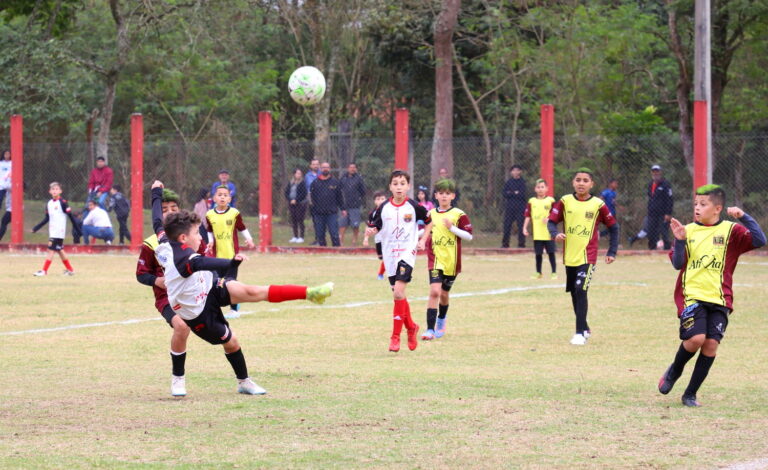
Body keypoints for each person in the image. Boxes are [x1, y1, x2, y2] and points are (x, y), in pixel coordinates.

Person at [149, 180, 333, 395]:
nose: (201, 237)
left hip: (209, 287)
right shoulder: (185, 259)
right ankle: (233, 381)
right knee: (231, 342)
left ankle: (310, 293)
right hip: (197, 311)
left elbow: (156, 220)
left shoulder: (164, 242)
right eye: (197, 233)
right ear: (183, 238)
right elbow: (206, 263)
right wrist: (232, 262)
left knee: (253, 292)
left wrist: (156, 192)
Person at [657, 184, 765, 407]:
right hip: (691, 296)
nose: (697, 208)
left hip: (720, 298)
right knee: (696, 339)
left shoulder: (730, 231)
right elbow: (678, 264)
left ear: (718, 208)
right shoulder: (687, 230)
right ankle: (674, 371)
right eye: (695, 203)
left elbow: (759, 240)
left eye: (703, 204)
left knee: (711, 345)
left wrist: (744, 216)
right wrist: (679, 240)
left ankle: (690, 394)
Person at [136, 188, 204, 396]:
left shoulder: (191, 238)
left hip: (194, 294)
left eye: (173, 208)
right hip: (167, 298)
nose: (168, 212)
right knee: (182, 327)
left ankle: (243, 378)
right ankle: (178, 379)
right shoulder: (152, 243)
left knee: (224, 335)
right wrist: (158, 280)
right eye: (164, 209)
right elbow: (141, 274)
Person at [547, 168, 618, 345]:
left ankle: (579, 334)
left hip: (588, 256)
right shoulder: (565, 201)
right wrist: (555, 233)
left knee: (581, 289)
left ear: (591, 184)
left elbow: (614, 227)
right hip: (569, 256)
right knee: (573, 292)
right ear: (573, 182)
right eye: (578, 179)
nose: (581, 183)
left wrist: (612, 251)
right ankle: (585, 327)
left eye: (585, 180)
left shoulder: (598, 205)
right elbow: (551, 222)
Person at [366, 170, 431, 352]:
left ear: (408, 186)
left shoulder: (413, 206)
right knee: (399, 295)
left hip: (406, 253)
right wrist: (371, 231)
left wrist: (423, 239)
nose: (399, 186)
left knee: (398, 293)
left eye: (402, 183)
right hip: (389, 255)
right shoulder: (383, 207)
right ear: (390, 187)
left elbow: (429, 221)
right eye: (395, 183)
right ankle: (411, 327)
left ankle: (395, 338)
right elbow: (374, 226)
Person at [417, 179, 473, 340]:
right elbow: (424, 231)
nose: (444, 196)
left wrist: (452, 228)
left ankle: (441, 321)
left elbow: (469, 236)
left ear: (453, 196)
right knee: (435, 291)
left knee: (444, 294)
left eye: (447, 194)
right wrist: (417, 239)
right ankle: (429, 330)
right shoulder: (431, 214)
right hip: (435, 258)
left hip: (452, 261)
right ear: (435, 195)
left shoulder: (459, 214)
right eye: (440, 193)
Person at [206, 185, 255, 319]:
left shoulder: (234, 213)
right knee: (216, 282)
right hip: (216, 256)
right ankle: (215, 309)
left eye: (225, 195)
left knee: (231, 282)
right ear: (214, 198)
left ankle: (234, 310)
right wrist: (209, 241)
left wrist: (249, 239)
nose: (222, 197)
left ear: (229, 198)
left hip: (232, 255)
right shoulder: (209, 214)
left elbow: (242, 228)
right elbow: (209, 230)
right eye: (219, 194)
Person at [31, 182, 78, 276]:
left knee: (51, 250)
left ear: (60, 191)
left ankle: (44, 271)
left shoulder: (63, 203)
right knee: (60, 250)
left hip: (59, 231)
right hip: (53, 231)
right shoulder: (49, 203)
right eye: (53, 189)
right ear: (49, 191)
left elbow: (71, 217)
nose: (54, 191)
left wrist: (77, 229)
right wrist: (36, 228)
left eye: (56, 189)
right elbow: (47, 218)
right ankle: (70, 270)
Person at [523, 179, 557, 279]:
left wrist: (549, 219)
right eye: (538, 187)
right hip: (537, 233)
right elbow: (528, 215)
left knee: (551, 253)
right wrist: (524, 228)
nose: (540, 189)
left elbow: (556, 214)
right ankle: (538, 272)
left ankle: (554, 272)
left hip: (549, 232)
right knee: (538, 254)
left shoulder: (551, 200)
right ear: (535, 189)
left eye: (542, 187)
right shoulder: (532, 201)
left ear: (547, 188)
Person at [309, 162, 344, 247]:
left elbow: (339, 197)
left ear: (330, 169)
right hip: (318, 213)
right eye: (323, 167)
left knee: (334, 233)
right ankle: (323, 250)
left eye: (327, 167)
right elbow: (312, 198)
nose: (325, 169)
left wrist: (343, 209)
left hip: (331, 213)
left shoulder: (335, 182)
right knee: (320, 234)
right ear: (320, 169)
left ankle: (336, 250)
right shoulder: (315, 182)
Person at [362, 191, 390, 280]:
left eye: (382, 199)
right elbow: (369, 226)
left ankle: (381, 274)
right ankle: (383, 272)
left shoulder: (391, 210)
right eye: (378, 199)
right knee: (382, 258)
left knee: (388, 257)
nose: (380, 201)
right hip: (379, 239)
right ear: (375, 201)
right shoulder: (372, 214)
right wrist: (366, 238)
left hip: (390, 238)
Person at [646, 164, 673, 250]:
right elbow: (650, 198)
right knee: (651, 231)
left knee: (664, 231)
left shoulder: (665, 184)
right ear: (651, 173)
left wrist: (668, 213)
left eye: (657, 171)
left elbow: (670, 199)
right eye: (654, 171)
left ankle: (667, 249)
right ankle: (652, 248)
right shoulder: (650, 184)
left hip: (663, 213)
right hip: (652, 213)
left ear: (660, 172)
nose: (655, 173)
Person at [339, 163, 367, 246]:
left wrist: (357, 198)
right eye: (351, 167)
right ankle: (341, 242)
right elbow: (339, 190)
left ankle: (354, 241)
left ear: (356, 169)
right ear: (348, 168)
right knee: (342, 224)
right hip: (344, 206)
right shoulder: (343, 178)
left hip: (355, 206)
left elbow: (363, 191)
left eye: (354, 167)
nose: (352, 169)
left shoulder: (359, 178)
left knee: (355, 225)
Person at [502, 165, 527, 248]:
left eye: (517, 170)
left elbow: (522, 194)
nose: (515, 172)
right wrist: (514, 193)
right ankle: (505, 244)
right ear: (511, 172)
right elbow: (505, 194)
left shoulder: (522, 182)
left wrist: (511, 193)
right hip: (509, 207)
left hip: (520, 207)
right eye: (513, 170)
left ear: (520, 172)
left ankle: (521, 244)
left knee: (521, 226)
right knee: (507, 226)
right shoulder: (508, 182)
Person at [284, 168, 308, 243]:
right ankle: (295, 236)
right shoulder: (291, 182)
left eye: (300, 173)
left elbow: (303, 194)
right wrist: (290, 199)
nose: (299, 175)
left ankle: (301, 237)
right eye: (297, 173)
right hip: (291, 203)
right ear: (294, 174)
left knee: (300, 219)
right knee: (293, 220)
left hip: (301, 204)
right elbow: (286, 192)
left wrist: (296, 200)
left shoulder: (302, 183)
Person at [305, 159, 320, 244]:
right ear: (311, 166)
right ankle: (317, 239)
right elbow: (307, 188)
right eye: (314, 164)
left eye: (317, 164)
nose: (315, 166)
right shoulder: (307, 176)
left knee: (320, 220)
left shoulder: (322, 174)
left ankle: (321, 239)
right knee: (315, 219)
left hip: (322, 198)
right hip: (312, 199)